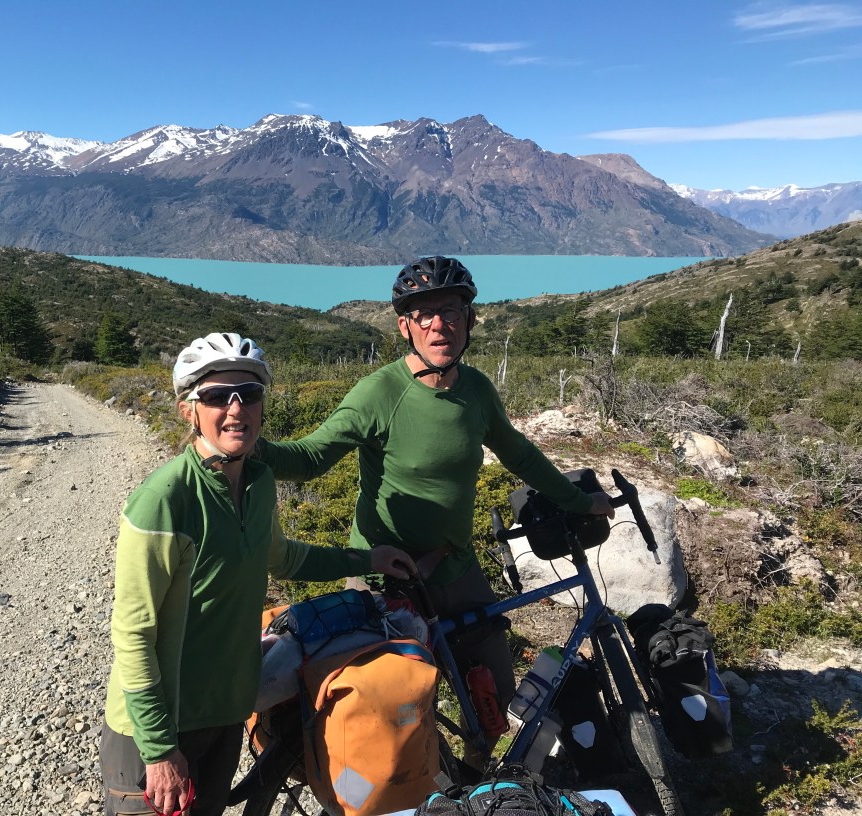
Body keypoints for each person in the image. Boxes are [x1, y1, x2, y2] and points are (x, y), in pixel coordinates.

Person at [254, 256, 615, 767]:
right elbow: (311, 458)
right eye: (424, 314)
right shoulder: (380, 392)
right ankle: (404, 785)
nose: (438, 324)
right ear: (405, 326)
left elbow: (521, 455)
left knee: (493, 695)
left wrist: (579, 501)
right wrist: (245, 447)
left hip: (454, 567)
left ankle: (472, 782)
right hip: (384, 573)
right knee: (389, 711)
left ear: (470, 319)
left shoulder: (477, 391)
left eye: (450, 310)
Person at [100, 331, 416, 816]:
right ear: (188, 410)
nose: (236, 408)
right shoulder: (165, 500)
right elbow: (133, 633)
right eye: (216, 396)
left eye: (248, 393)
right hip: (158, 727)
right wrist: (159, 750)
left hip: (225, 714)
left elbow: (284, 559)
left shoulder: (259, 482)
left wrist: (366, 560)